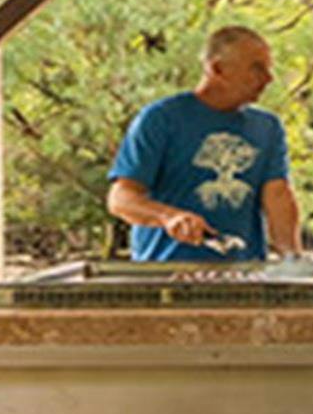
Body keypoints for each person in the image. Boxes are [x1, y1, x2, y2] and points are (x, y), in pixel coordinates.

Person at [106, 25, 302, 261]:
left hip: (242, 280)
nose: (269, 79)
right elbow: (121, 199)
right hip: (165, 278)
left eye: (268, 69)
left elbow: (278, 197)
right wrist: (169, 217)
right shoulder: (160, 119)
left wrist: (293, 262)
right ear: (217, 69)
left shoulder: (268, 127)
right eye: (257, 68)